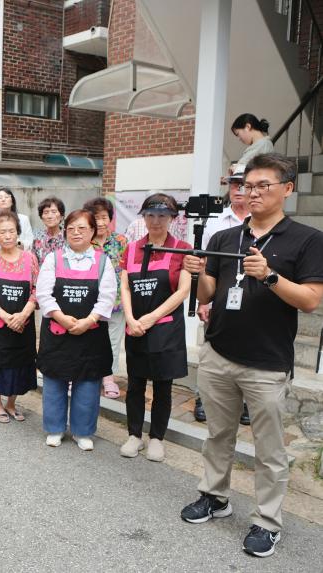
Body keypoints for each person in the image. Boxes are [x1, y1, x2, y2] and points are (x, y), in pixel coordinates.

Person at [180, 153, 323, 558]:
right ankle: (214, 497)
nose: (252, 193)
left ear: (287, 190)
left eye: (264, 185)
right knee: (218, 435)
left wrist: (271, 276)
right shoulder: (225, 237)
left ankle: (267, 521)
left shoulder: (307, 240)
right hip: (220, 353)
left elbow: (312, 300)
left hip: (267, 362)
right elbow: (208, 293)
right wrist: (197, 272)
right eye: (247, 185)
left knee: (269, 448)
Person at [118, 193, 191, 462]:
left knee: (163, 386)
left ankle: (157, 438)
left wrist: (151, 318)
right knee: (135, 383)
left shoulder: (182, 247)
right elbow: (125, 286)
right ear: (143, 217)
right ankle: (134, 434)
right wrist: (130, 318)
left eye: (162, 215)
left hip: (165, 328)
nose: (156, 221)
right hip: (135, 325)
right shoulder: (132, 248)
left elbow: (182, 291)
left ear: (172, 218)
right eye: (150, 215)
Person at [36, 209, 116, 451]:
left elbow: (107, 298)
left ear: (93, 231)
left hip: (91, 333)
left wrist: (87, 321)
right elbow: (43, 294)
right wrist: (62, 318)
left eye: (82, 228)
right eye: (71, 228)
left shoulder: (103, 262)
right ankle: (55, 428)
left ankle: (83, 432)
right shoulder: (54, 259)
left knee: (88, 382)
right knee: (54, 380)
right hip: (58, 331)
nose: (76, 233)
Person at [195, 164, 251, 424]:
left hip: (254, 296)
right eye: (233, 184)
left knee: (250, 349)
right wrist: (204, 300)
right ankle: (204, 398)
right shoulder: (215, 220)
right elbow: (205, 264)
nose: (238, 189)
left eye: (243, 184)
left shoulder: (261, 222)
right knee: (211, 349)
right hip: (219, 294)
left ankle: (247, 402)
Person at [0, 213, 39, 422]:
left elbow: (37, 290)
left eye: (11, 231)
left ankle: (11, 403)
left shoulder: (30, 258)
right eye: (2, 232)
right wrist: (6, 316)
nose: (7, 236)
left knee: (20, 362)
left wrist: (22, 315)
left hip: (24, 323)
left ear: (18, 232)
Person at [83, 197, 128, 399]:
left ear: (110, 218)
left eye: (104, 217)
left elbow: (128, 271)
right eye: (95, 217)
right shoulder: (84, 243)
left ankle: (108, 377)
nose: (100, 222)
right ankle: (86, 374)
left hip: (116, 302)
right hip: (89, 302)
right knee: (88, 339)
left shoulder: (121, 241)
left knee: (113, 341)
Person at [31, 196, 66, 267]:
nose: (49, 216)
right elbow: (33, 263)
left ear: (61, 216)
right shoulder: (36, 237)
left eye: (54, 212)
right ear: (41, 217)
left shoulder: (69, 236)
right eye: (46, 212)